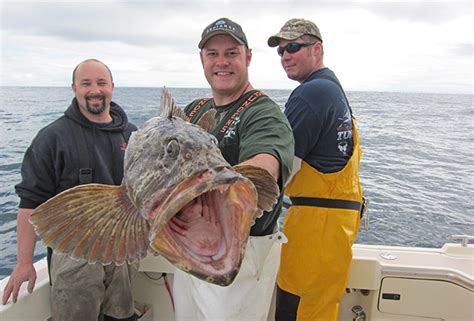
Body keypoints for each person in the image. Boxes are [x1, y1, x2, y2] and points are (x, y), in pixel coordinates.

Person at [171, 17, 294, 321]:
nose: (221, 62)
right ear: (201, 59)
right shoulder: (194, 110)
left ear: (248, 57)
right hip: (188, 250)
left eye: (231, 53)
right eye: (212, 53)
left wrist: (233, 186)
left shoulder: (263, 112)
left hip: (238, 254)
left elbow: (264, 165)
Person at [2, 59, 138, 321]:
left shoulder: (133, 136)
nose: (94, 90)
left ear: (112, 87)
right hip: (74, 255)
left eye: (101, 83)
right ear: (73, 88)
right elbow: (31, 202)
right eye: (85, 83)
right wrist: (23, 262)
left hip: (124, 252)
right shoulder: (52, 138)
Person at [267, 19, 364, 321]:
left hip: (315, 230)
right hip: (335, 230)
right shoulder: (333, 90)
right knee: (320, 309)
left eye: (294, 47)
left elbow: (279, 169)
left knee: (297, 310)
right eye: (281, 50)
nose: (285, 56)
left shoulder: (312, 93)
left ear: (317, 49)